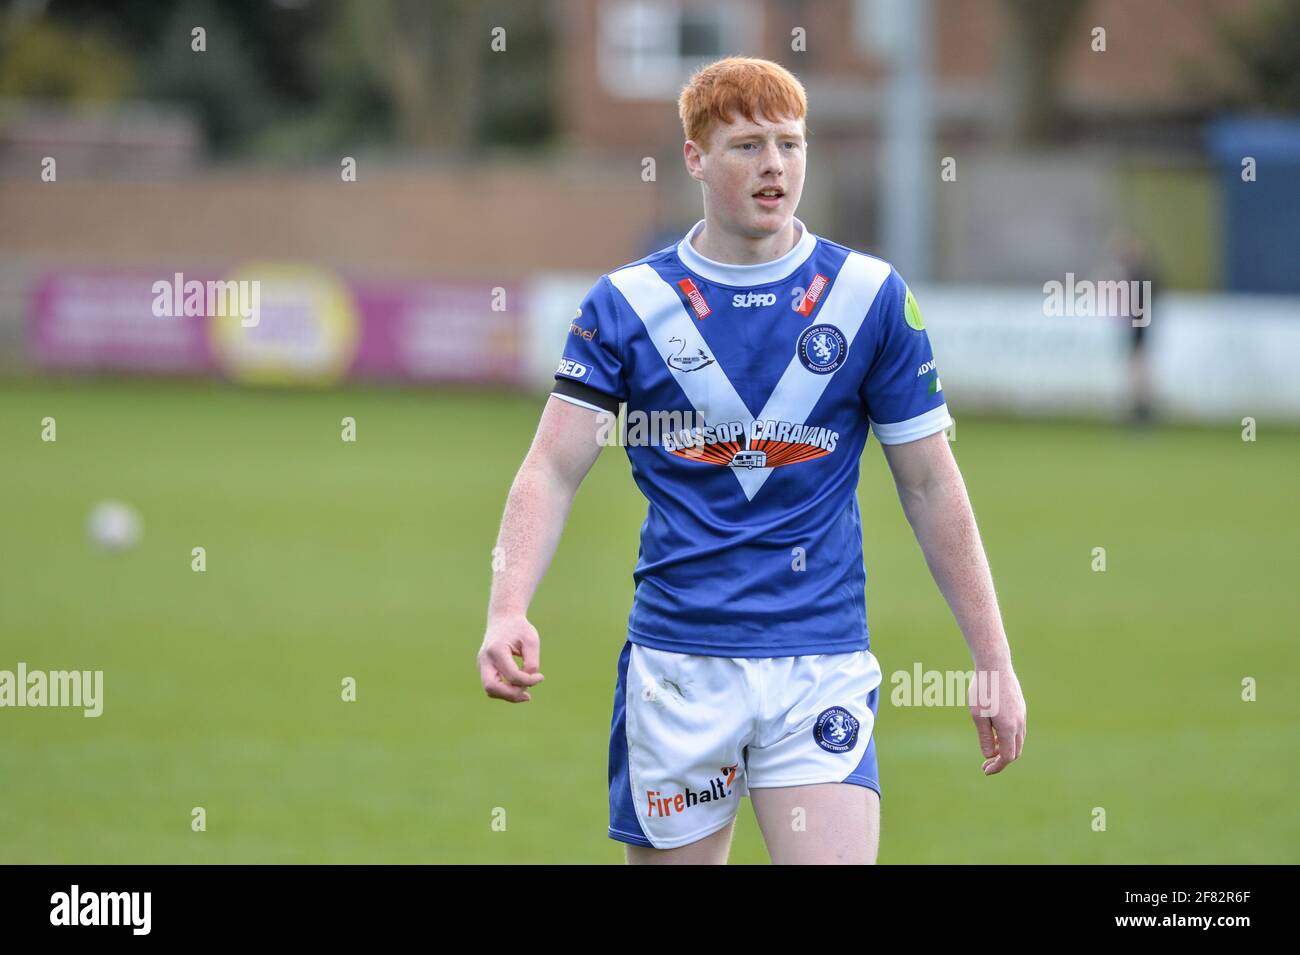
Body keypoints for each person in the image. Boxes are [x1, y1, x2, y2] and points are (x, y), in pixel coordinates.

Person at [478, 56, 1026, 864]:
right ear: (695, 158)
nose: (774, 164)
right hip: (678, 666)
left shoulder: (868, 295)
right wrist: (507, 604)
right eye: (747, 146)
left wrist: (994, 657)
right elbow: (552, 467)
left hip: (820, 662)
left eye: (790, 143)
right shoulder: (627, 304)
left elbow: (931, 481)